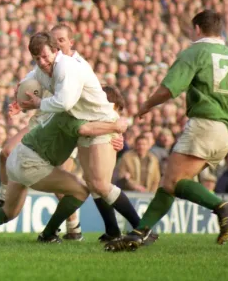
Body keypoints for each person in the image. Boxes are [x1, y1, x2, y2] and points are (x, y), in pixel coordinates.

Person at [105, 9, 228, 252]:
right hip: (225, 131)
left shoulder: (195, 51)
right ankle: (139, 232)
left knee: (174, 181)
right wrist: (225, 107)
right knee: (170, 182)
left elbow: (170, 88)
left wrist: (147, 104)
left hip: (204, 125)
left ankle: (222, 207)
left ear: (197, 29)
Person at [0, 24, 124, 241]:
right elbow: (29, 81)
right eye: (55, 40)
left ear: (69, 43)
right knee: (8, 154)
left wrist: (115, 133)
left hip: (64, 121)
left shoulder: (76, 68)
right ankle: (51, 228)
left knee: (76, 181)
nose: (58, 44)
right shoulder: (46, 66)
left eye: (62, 40)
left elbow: (99, 111)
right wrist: (22, 101)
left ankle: (73, 228)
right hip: (47, 120)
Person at [20, 31, 145, 242]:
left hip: (89, 126)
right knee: (91, 181)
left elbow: (75, 103)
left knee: (97, 183)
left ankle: (143, 228)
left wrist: (115, 125)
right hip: (75, 127)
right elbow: (32, 77)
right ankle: (111, 230)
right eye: (37, 57)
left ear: (63, 46)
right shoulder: (48, 68)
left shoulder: (70, 66)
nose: (42, 61)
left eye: (61, 40)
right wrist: (20, 91)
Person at [0, 106, 128, 242]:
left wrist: (117, 137)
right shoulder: (76, 118)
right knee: (80, 190)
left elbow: (7, 151)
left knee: (9, 212)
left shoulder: (60, 109)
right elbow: (85, 130)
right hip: (30, 164)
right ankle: (50, 234)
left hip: (18, 157)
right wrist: (117, 127)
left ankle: (69, 229)